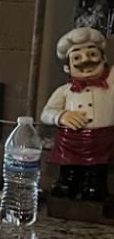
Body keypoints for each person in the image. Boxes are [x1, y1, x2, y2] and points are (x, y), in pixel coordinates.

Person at [42, 26, 114, 203]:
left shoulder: (111, 85)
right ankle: (68, 183)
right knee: (70, 168)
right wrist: (62, 116)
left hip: (101, 138)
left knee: (97, 170)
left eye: (92, 54)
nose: (85, 61)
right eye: (77, 57)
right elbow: (46, 112)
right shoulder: (64, 91)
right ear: (67, 68)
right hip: (71, 139)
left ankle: (95, 186)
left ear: (104, 59)